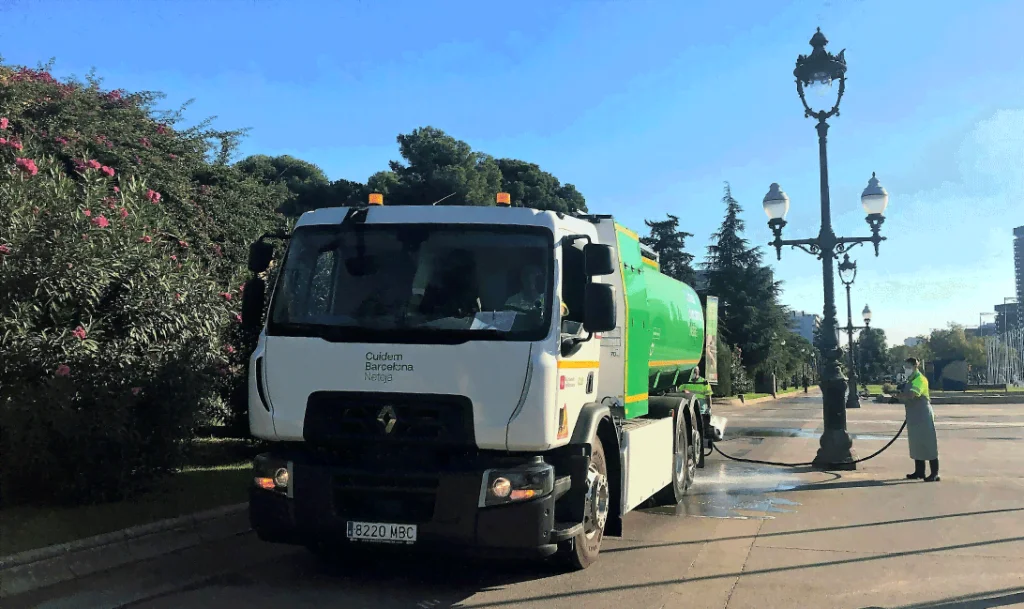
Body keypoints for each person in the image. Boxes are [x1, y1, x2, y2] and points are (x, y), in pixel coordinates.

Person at [896, 357, 939, 482]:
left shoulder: (920, 379)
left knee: (928, 443)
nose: (906, 369)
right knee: (916, 443)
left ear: (915, 367)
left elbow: (913, 394)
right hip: (914, 415)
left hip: (923, 415)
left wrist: (898, 395)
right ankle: (919, 471)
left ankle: (935, 473)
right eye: (905, 367)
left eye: (908, 367)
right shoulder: (910, 379)